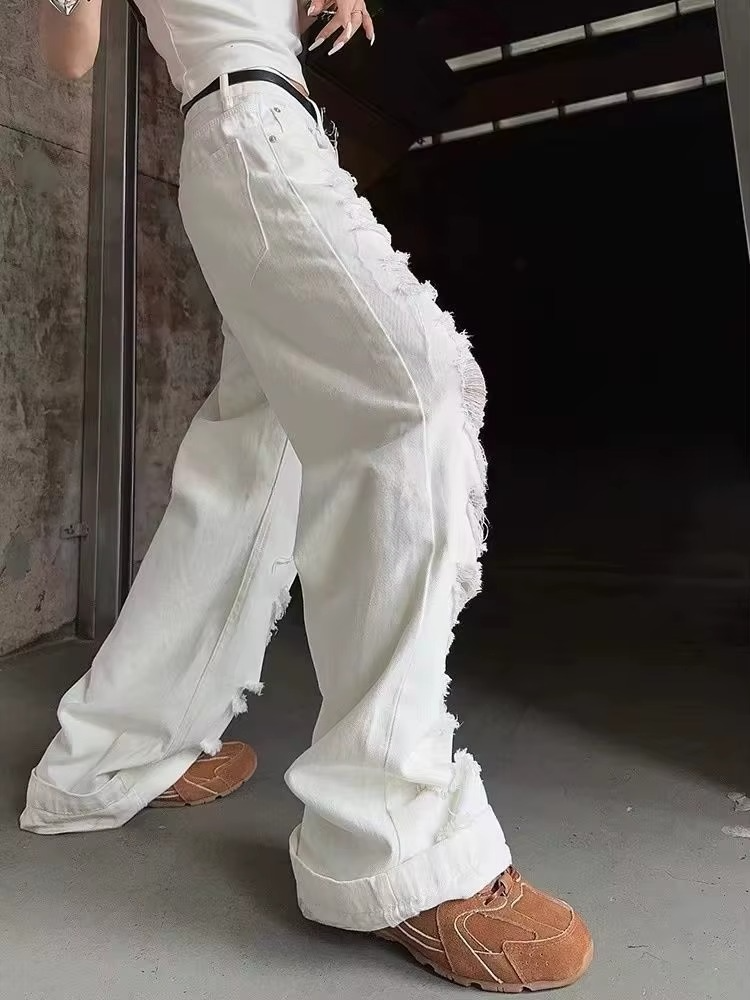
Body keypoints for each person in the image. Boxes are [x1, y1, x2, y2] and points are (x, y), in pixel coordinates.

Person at [26, 0, 593, 991]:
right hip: (246, 134)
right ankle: (388, 840)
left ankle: (114, 753)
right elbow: (68, 59)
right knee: (415, 395)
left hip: (284, 129)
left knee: (258, 458)